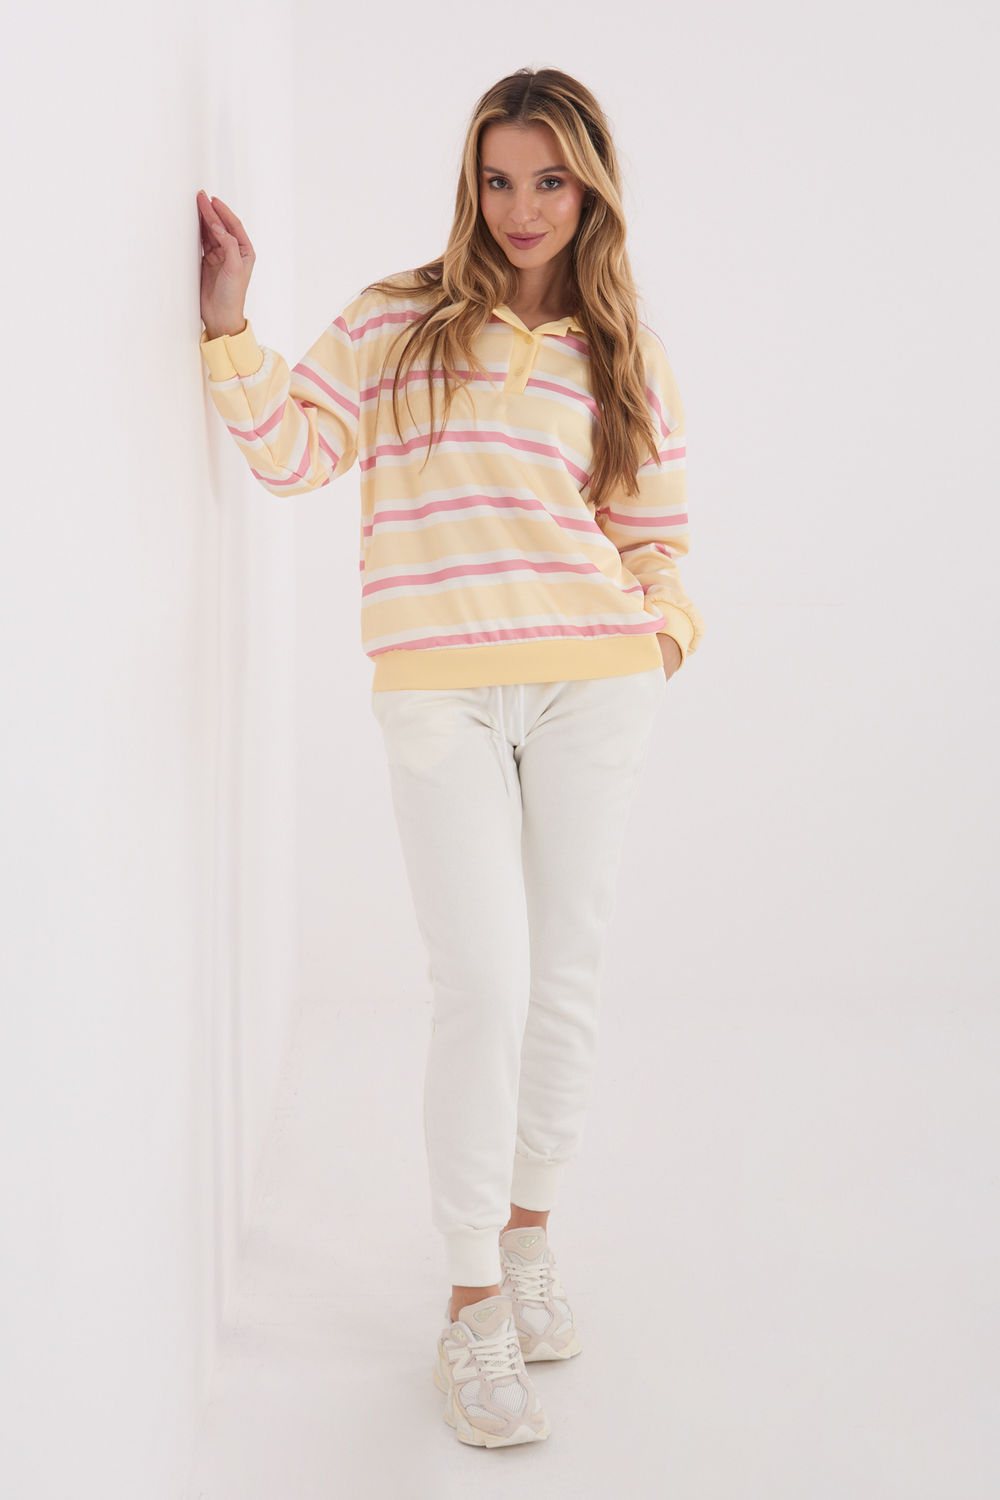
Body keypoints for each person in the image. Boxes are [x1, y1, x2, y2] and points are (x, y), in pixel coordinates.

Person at [196, 65, 705, 1450]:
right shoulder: (396, 319)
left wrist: (660, 637)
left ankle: (530, 1231)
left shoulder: (624, 350)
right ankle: (472, 1297)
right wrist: (230, 328)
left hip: (592, 683)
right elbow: (297, 455)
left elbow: (656, 534)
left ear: (590, 190)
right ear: (470, 183)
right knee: (483, 981)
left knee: (565, 978)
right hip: (440, 691)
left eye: (550, 180)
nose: (522, 206)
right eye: (498, 177)